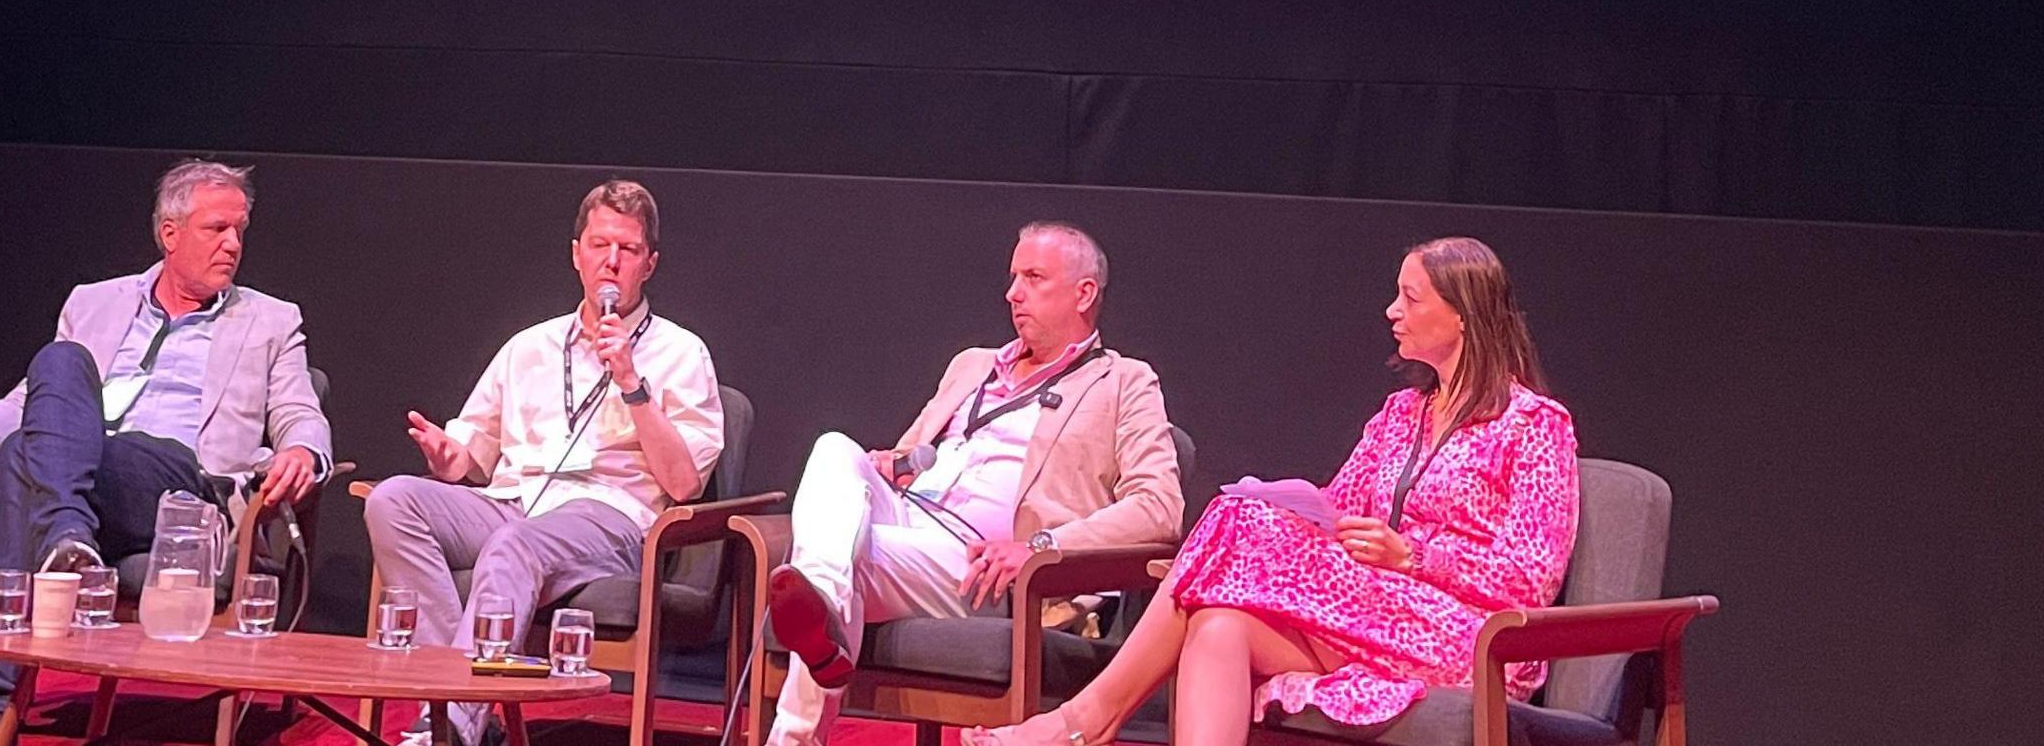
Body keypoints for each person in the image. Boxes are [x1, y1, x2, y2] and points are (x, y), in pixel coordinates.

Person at [967, 239, 1580, 746]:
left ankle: (1088, 718)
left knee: (1235, 520)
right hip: (1377, 615)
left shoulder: (1534, 425)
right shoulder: (1402, 414)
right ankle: (1090, 724)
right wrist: (1303, 509)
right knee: (1219, 623)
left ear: (1462, 316)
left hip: (1473, 638)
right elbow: (1340, 508)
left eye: (1410, 298)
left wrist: (1413, 556)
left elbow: (1529, 579)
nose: (1392, 310)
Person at [0, 159, 333, 746]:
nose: (233, 244)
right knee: (52, 380)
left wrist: (303, 452)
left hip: (182, 485)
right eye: (216, 229)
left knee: (28, 458)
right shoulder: (94, 303)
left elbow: (299, 411)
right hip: (87, 478)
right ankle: (69, 540)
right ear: (170, 233)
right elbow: (30, 401)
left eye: (240, 230)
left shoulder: (270, 320)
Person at [760, 224, 1183, 746]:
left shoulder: (1123, 382)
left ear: (1084, 294)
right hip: (911, 521)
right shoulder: (972, 365)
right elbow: (906, 456)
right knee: (833, 447)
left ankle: (807, 673)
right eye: (1012, 277)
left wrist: (1039, 547)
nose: (1013, 292)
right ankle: (821, 602)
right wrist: (890, 466)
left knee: (843, 560)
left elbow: (1158, 508)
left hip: (993, 572)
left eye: (1033, 277)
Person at [364, 179, 726, 746]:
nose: (611, 262)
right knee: (392, 500)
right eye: (600, 245)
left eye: (627, 250)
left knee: (516, 545)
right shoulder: (528, 347)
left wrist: (632, 384)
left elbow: (682, 484)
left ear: (649, 264)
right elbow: (474, 455)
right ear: (576, 253)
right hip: (511, 502)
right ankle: (455, 708)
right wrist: (448, 456)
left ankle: (450, 729)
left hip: (607, 515)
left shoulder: (681, 353)